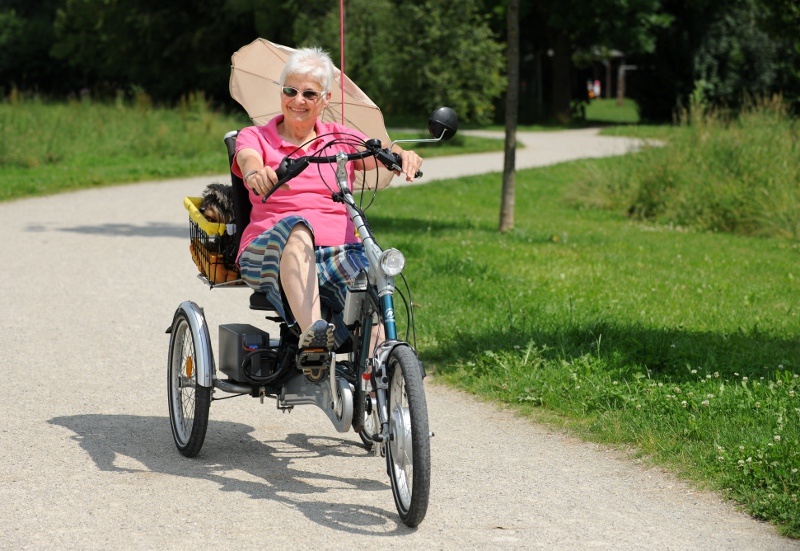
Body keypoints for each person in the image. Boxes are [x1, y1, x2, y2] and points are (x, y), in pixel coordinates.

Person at [232, 46, 423, 351]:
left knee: (373, 287)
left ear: (325, 100)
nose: (298, 100)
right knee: (298, 228)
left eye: (309, 94)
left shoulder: (340, 139)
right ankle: (315, 342)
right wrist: (257, 176)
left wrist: (404, 156)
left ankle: (385, 378)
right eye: (291, 90)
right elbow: (248, 161)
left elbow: (383, 152)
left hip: (339, 252)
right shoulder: (255, 136)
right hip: (270, 248)